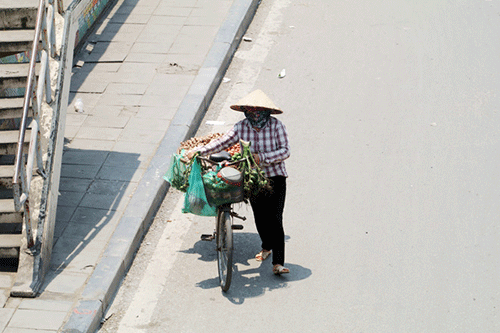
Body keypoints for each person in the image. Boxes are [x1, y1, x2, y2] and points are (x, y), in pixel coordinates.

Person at [186, 89, 291, 275]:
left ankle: (278, 262)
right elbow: (221, 142)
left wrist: (262, 157)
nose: (255, 113)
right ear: (245, 110)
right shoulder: (241, 127)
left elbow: (285, 152)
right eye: (251, 109)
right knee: (260, 216)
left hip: (275, 177)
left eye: (259, 109)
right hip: (252, 178)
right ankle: (266, 246)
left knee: (276, 218)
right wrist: (199, 151)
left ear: (266, 111)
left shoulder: (277, 126)